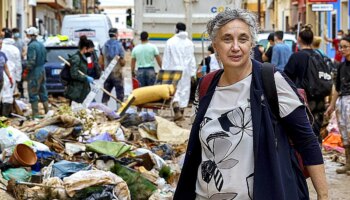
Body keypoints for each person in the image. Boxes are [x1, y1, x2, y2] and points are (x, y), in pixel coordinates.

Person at [174, 9, 328, 200]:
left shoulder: (271, 82)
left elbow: (307, 141)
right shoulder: (205, 86)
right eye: (227, 39)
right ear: (215, 45)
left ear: (252, 44)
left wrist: (323, 195)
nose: (236, 47)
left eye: (243, 39)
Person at [284, 25, 327, 143]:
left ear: (299, 39)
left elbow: (286, 77)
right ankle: (318, 154)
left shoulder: (297, 56)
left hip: (302, 98)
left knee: (303, 131)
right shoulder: (319, 55)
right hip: (319, 97)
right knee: (316, 129)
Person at [325, 36, 350, 175]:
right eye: (341, 47)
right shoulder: (341, 66)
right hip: (343, 101)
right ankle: (348, 164)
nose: (342, 49)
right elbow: (337, 87)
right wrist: (332, 105)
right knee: (344, 134)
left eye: (346, 46)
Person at [162, 22, 196, 120]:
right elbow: (192, 59)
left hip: (173, 69)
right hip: (186, 71)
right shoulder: (189, 43)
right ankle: (181, 112)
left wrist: (164, 71)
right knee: (185, 90)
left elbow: (166, 58)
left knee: (173, 90)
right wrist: (192, 73)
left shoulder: (170, 42)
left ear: (176, 29)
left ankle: (176, 110)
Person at [25, 27, 49, 118]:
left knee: (33, 91)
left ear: (30, 35)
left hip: (35, 71)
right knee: (42, 90)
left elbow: (31, 61)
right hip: (42, 70)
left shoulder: (32, 46)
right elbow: (46, 58)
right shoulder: (41, 45)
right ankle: (47, 112)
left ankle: (35, 114)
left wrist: (26, 70)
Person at [64, 36, 95, 103]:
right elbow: (74, 74)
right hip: (77, 91)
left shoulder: (85, 57)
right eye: (90, 50)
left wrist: (89, 58)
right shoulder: (76, 58)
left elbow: (89, 68)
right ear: (85, 48)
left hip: (84, 89)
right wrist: (86, 78)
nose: (91, 52)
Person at [102, 28, 126, 105]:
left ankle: (103, 111)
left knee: (106, 93)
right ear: (116, 34)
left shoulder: (105, 45)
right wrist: (123, 63)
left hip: (107, 73)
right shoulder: (119, 45)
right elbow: (122, 62)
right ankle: (118, 112)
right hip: (116, 73)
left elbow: (100, 60)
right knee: (119, 93)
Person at [0, 29, 21, 116]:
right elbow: (18, 64)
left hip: (2, 74)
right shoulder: (15, 49)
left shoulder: (2, 48)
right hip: (10, 74)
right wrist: (18, 78)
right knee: (8, 95)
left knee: (2, 95)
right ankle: (5, 116)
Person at [12, 28, 26, 98]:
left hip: (20, 62)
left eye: (17, 32)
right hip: (12, 63)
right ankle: (13, 92)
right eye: (15, 33)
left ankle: (21, 93)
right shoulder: (12, 42)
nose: (16, 34)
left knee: (20, 79)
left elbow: (24, 50)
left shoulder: (21, 41)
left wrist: (23, 54)